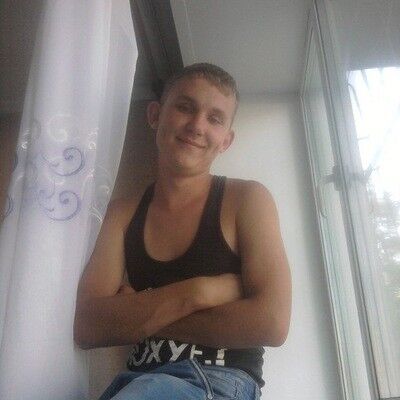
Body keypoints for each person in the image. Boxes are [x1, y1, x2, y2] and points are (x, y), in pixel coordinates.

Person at [73, 63, 292, 400]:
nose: (197, 125)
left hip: (218, 383)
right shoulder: (122, 214)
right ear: (155, 115)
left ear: (226, 140)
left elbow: (272, 322)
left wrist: (140, 312)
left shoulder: (248, 199)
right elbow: (88, 325)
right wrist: (200, 292)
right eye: (185, 107)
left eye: (215, 118)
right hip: (135, 381)